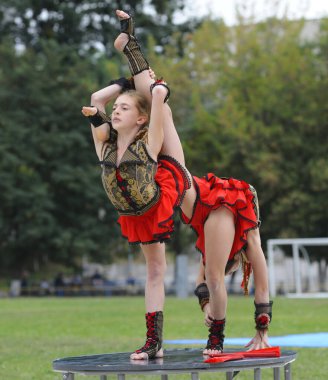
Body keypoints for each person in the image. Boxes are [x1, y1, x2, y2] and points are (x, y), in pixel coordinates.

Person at [92, 10, 273, 357]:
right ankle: (132, 48)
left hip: (179, 186)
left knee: (164, 112)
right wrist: (261, 329)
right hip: (197, 191)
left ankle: (132, 48)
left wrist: (208, 309)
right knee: (164, 111)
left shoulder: (212, 248)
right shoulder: (240, 232)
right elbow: (259, 282)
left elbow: (203, 285)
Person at [82, 51, 190, 360]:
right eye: (116, 108)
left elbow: (156, 103)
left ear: (140, 118)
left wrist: (154, 93)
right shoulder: (105, 142)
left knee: (163, 109)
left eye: (124, 108)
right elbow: (96, 98)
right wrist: (125, 85)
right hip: (133, 214)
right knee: (154, 271)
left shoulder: (148, 141)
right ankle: (154, 342)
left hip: (161, 196)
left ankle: (131, 46)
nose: (115, 111)